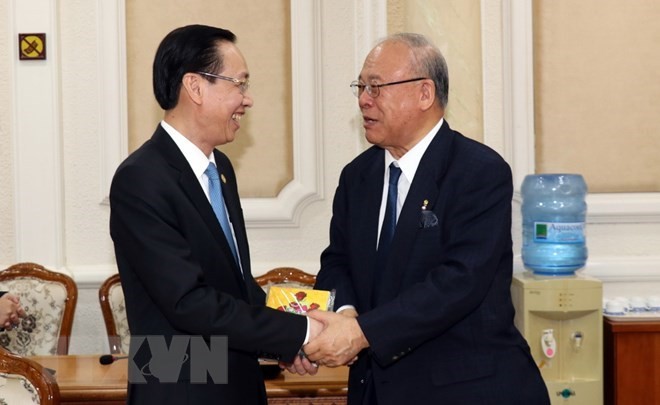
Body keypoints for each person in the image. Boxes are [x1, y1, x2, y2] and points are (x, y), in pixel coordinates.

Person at [303, 33, 550, 404]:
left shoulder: (478, 172)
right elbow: (338, 262)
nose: (363, 99)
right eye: (360, 86)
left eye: (376, 87)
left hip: (465, 390)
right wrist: (347, 314)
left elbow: (458, 282)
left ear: (424, 94)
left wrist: (362, 333)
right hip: (377, 389)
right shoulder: (358, 176)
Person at [109, 25, 319, 405]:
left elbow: (233, 287)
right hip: (180, 388)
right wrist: (300, 332)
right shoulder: (141, 178)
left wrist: (286, 341)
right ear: (195, 87)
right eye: (239, 84)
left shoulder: (219, 168)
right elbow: (188, 302)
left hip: (235, 381)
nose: (248, 99)